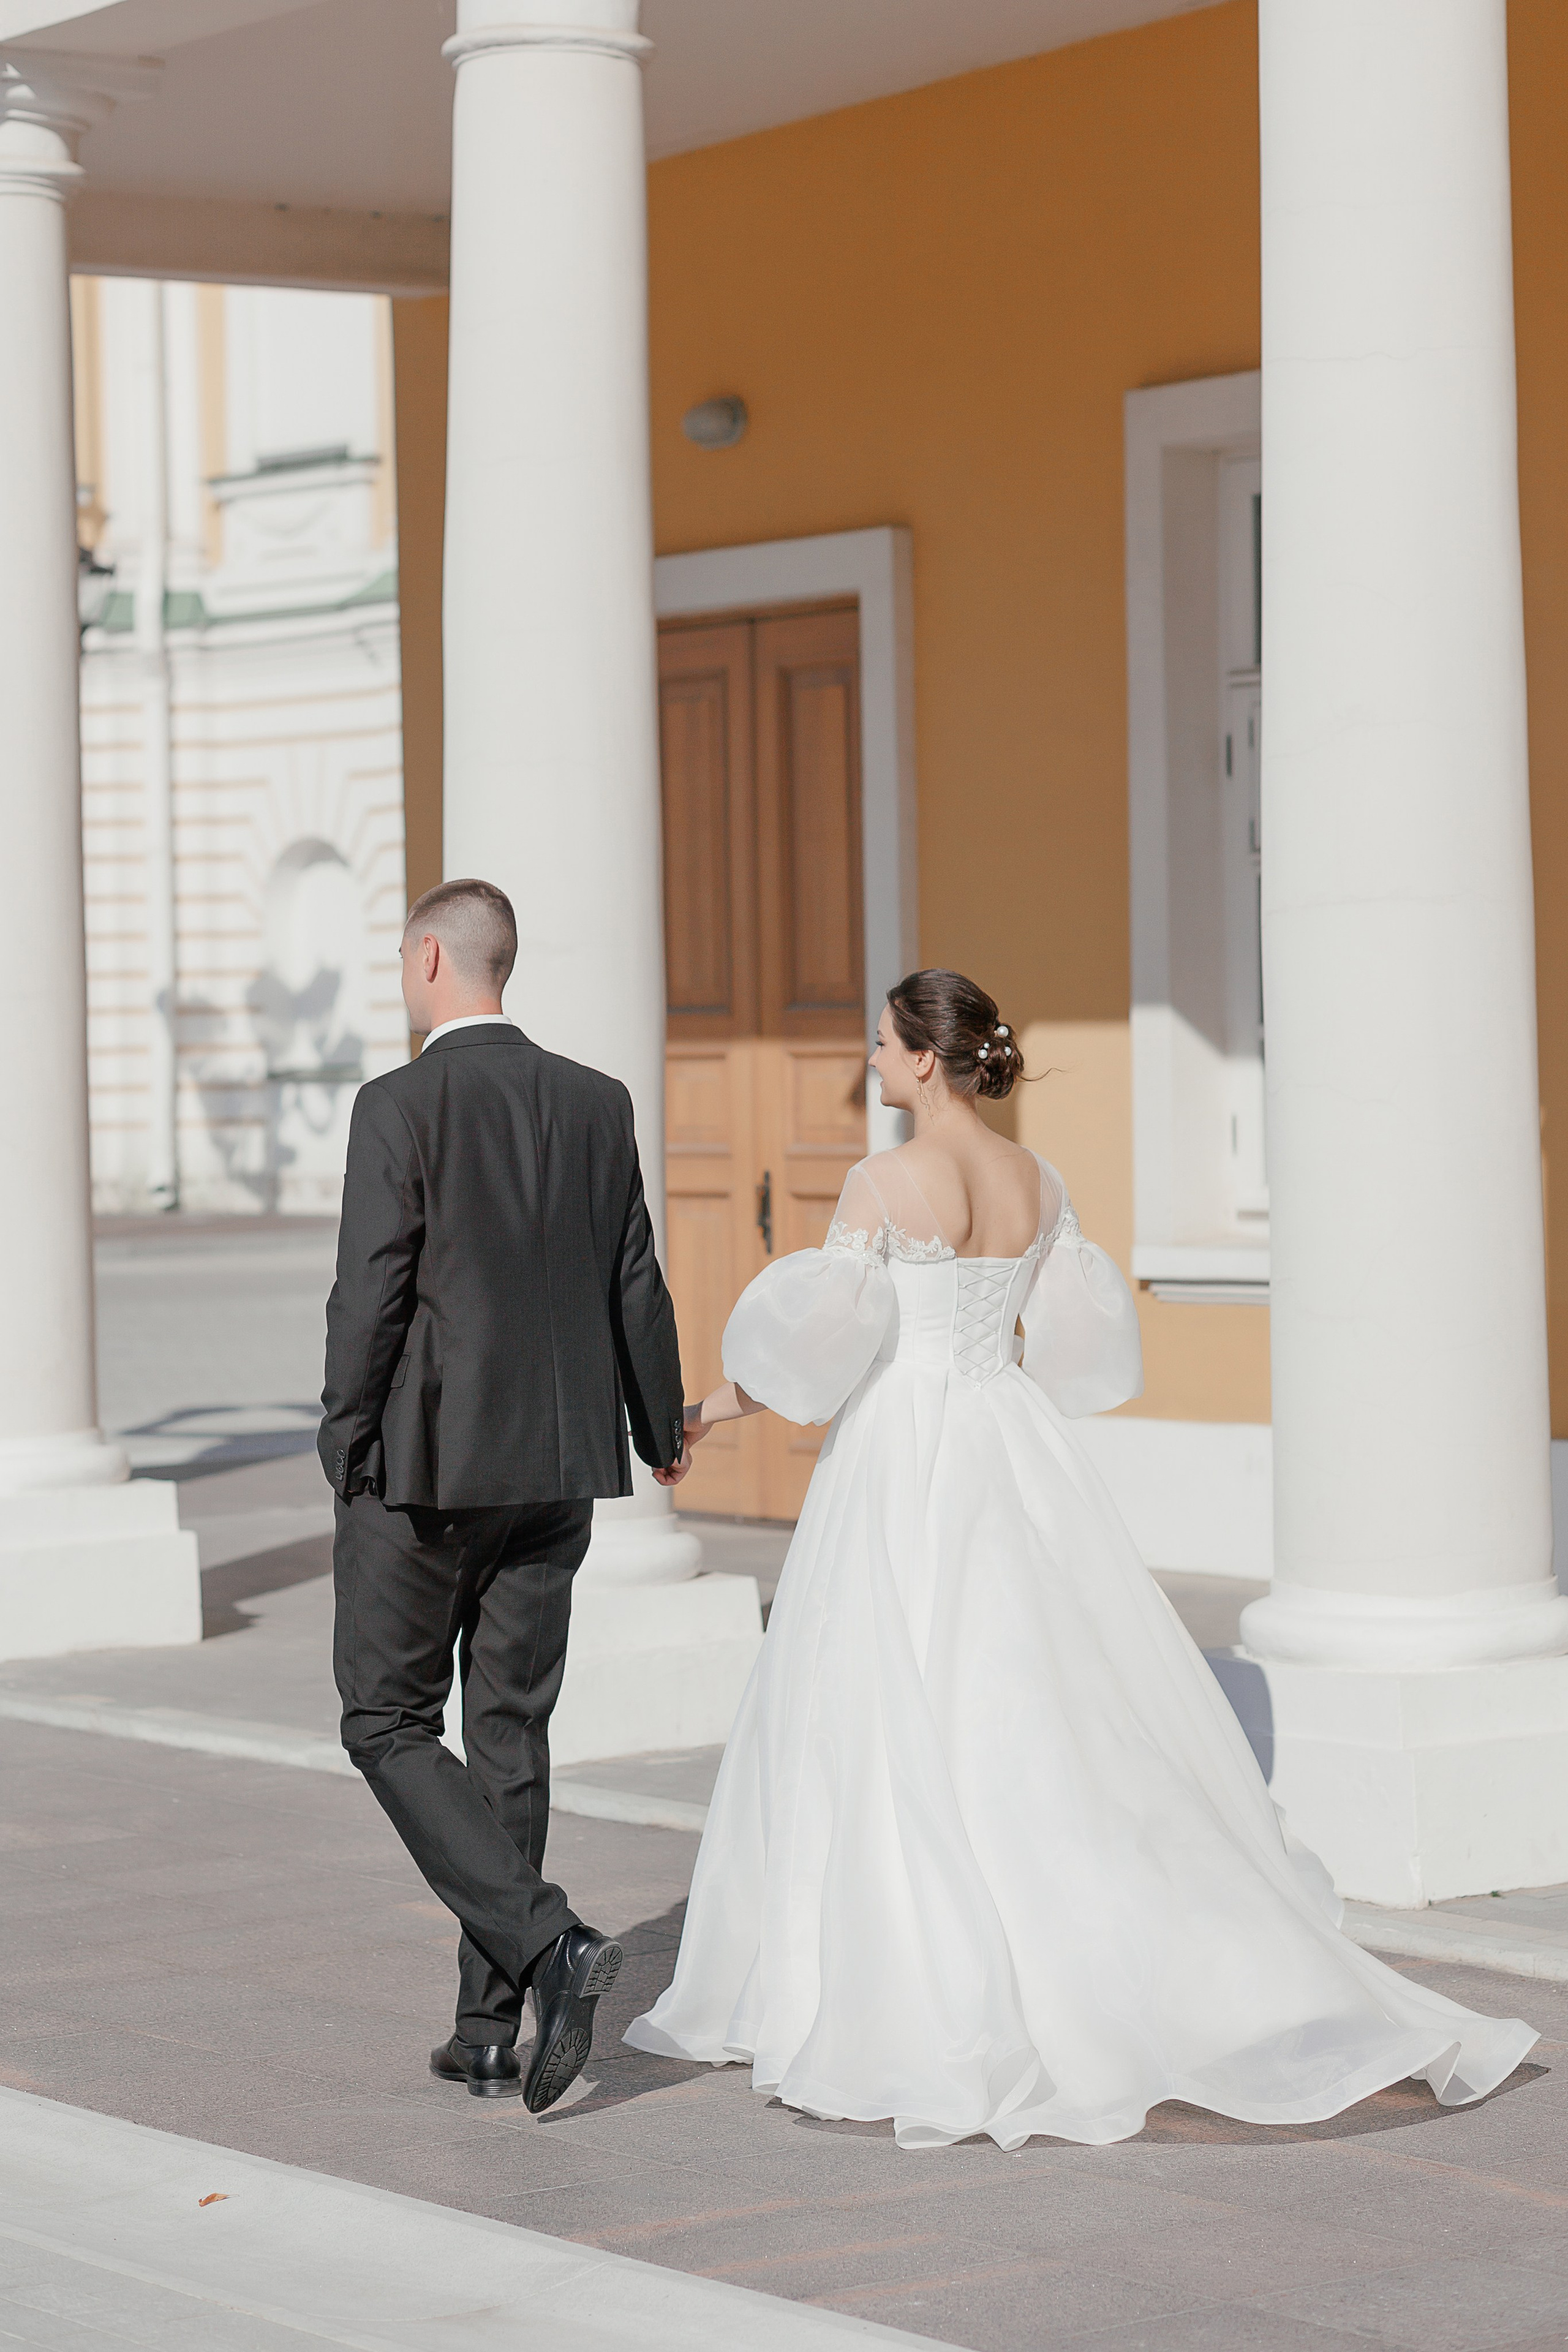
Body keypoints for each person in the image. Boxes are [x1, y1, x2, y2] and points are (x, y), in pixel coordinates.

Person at [625, 967, 1537, 2149]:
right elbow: (1072, 1347)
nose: (871, 1060)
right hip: (1008, 1444)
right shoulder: (1038, 1181)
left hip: (907, 1456)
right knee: (1037, 1707)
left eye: (884, 1044)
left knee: (890, 1710)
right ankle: (1123, 1954)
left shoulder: (883, 1180)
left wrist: (703, 1412)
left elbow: (817, 1359)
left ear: (923, 1059)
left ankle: (911, 1981)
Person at [321, 878, 687, 2114]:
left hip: (424, 1471)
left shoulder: (398, 1103)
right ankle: (486, 2033)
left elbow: (371, 1289)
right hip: (560, 1465)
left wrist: (342, 1433)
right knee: (508, 1735)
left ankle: (551, 1948)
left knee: (382, 1721)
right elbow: (633, 1276)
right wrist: (655, 1423)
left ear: (429, 958)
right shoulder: (595, 1102)